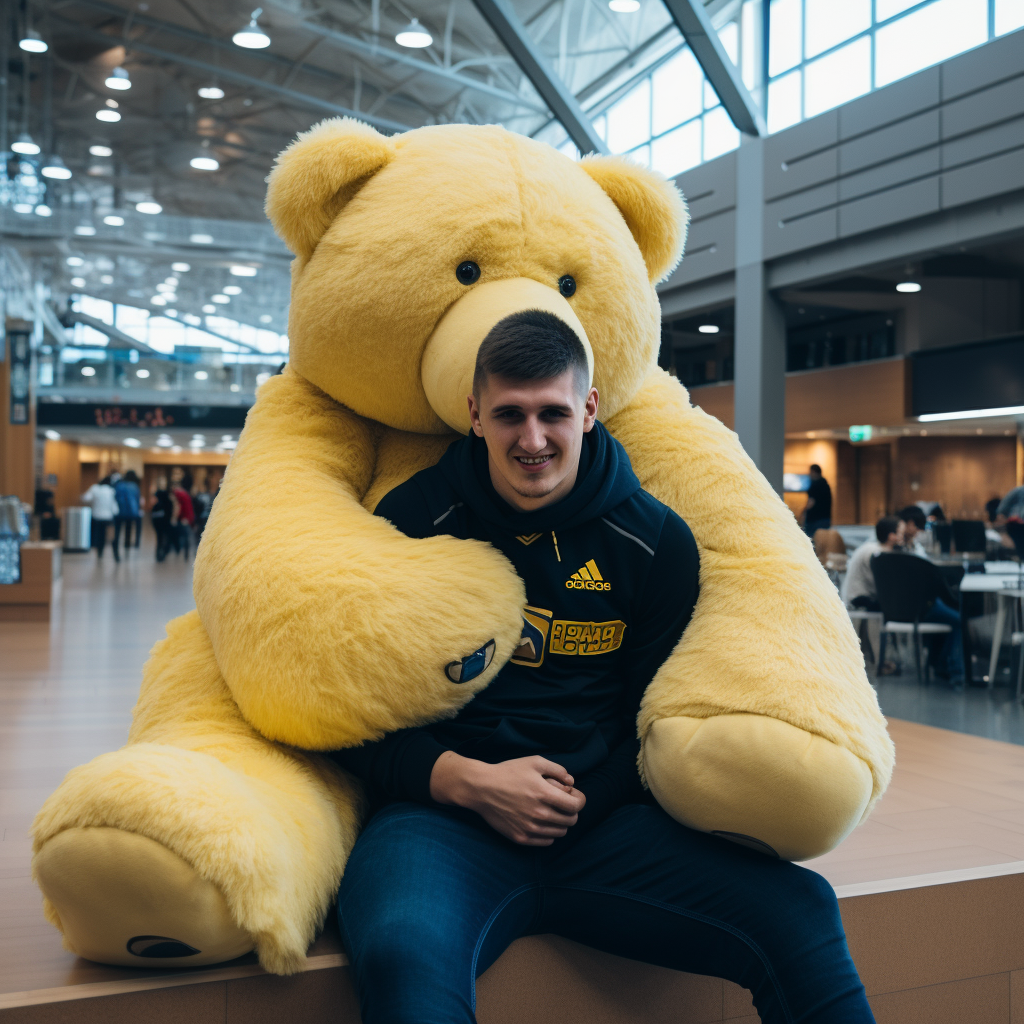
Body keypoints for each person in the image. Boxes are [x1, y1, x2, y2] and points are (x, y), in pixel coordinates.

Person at [332, 311, 874, 1024]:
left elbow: (647, 717)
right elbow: (348, 711)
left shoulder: (655, 542)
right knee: (404, 951)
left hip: (602, 824)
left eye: (553, 413)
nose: (532, 440)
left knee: (801, 910)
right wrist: (465, 780)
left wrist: (581, 801)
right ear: (474, 415)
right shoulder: (411, 521)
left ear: (588, 409)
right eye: (510, 415)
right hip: (440, 821)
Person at [843, 515, 904, 611]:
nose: (902, 538)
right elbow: (883, 585)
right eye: (901, 534)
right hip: (858, 600)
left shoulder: (874, 548)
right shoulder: (876, 553)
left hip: (859, 596)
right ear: (891, 536)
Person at [81, 475, 118, 558]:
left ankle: (99, 552)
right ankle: (115, 553)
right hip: (108, 517)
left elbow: (86, 498)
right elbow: (114, 506)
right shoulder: (110, 490)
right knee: (109, 535)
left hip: (96, 516)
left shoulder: (94, 488)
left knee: (99, 535)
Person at [112, 470, 142, 561]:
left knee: (117, 532)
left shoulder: (119, 485)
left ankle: (116, 552)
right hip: (131, 513)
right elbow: (137, 500)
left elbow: (114, 498)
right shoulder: (134, 486)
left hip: (119, 512)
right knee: (128, 531)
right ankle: (127, 548)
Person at [802, 464, 832, 537]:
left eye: (810, 472)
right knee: (822, 540)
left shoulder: (815, 485)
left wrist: (803, 512)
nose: (809, 475)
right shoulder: (825, 484)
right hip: (825, 518)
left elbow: (811, 502)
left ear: (814, 472)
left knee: (811, 542)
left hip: (814, 520)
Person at [171, 473, 195, 559]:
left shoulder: (178, 494)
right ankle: (185, 554)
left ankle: (183, 553)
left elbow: (178, 507)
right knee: (186, 536)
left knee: (184, 536)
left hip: (184, 518)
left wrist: (175, 518)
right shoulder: (185, 494)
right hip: (188, 517)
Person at [151, 478, 175, 562]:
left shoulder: (157, 505)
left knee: (160, 539)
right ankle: (163, 553)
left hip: (158, 526)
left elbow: (153, 517)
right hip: (165, 525)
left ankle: (159, 554)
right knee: (165, 539)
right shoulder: (168, 503)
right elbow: (170, 513)